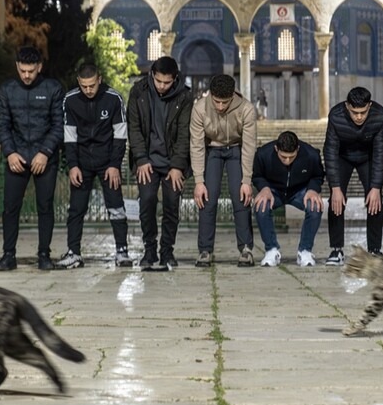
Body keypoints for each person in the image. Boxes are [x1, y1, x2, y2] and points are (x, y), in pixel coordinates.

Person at [0, 45, 64, 271]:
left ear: (39, 67)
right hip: (17, 157)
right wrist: (10, 152)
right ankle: (8, 255)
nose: (26, 75)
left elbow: (58, 125)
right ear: (17, 66)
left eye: (31, 71)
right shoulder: (7, 90)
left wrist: (45, 152)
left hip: (45, 158)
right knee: (10, 208)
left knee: (45, 206)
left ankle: (44, 255)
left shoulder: (53, 88)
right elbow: (2, 125)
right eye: (22, 70)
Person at [57, 63, 130, 269]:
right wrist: (72, 165)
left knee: (116, 207)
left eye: (91, 85)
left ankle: (122, 251)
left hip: (108, 163)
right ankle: (73, 253)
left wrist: (115, 164)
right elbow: (69, 136)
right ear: (78, 83)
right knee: (76, 209)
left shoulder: (114, 98)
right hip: (81, 163)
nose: (88, 90)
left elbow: (120, 135)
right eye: (83, 86)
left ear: (100, 79)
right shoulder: (70, 100)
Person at [126, 56, 194, 268]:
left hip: (173, 162)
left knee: (172, 205)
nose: (162, 86)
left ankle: (167, 251)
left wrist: (177, 166)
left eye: (167, 82)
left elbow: (184, 134)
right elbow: (134, 128)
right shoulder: (139, 91)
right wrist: (141, 159)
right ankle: (149, 250)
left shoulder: (185, 96)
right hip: (147, 160)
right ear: (152, 75)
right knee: (146, 202)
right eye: (159, 81)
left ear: (175, 79)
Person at [190, 74, 256, 267]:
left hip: (236, 149)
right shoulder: (199, 108)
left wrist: (246, 181)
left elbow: (249, 146)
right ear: (210, 95)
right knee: (207, 200)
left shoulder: (247, 109)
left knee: (241, 198)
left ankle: (245, 249)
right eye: (216, 102)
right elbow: (196, 146)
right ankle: (204, 250)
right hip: (213, 150)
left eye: (224, 102)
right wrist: (199, 181)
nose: (219, 107)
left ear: (232, 97)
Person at [323, 87, 383, 265]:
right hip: (341, 157)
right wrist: (335, 187)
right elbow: (330, 151)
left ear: (370, 106)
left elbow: (380, 152)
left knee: (376, 200)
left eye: (363, 112)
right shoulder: (336, 115)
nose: (359, 117)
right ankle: (336, 250)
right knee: (335, 200)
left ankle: (374, 250)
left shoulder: (379, 115)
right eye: (354, 112)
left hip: (367, 157)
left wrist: (375, 187)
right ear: (347, 106)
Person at [252, 130, 324, 267]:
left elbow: (318, 175)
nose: (287, 161)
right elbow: (257, 176)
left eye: (291, 157)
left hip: (300, 190)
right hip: (274, 191)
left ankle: (305, 251)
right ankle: (271, 250)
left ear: (298, 149)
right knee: (261, 205)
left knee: (315, 206)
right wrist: (264, 188)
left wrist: (313, 189)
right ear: (276, 149)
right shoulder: (263, 154)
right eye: (283, 157)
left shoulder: (311, 154)